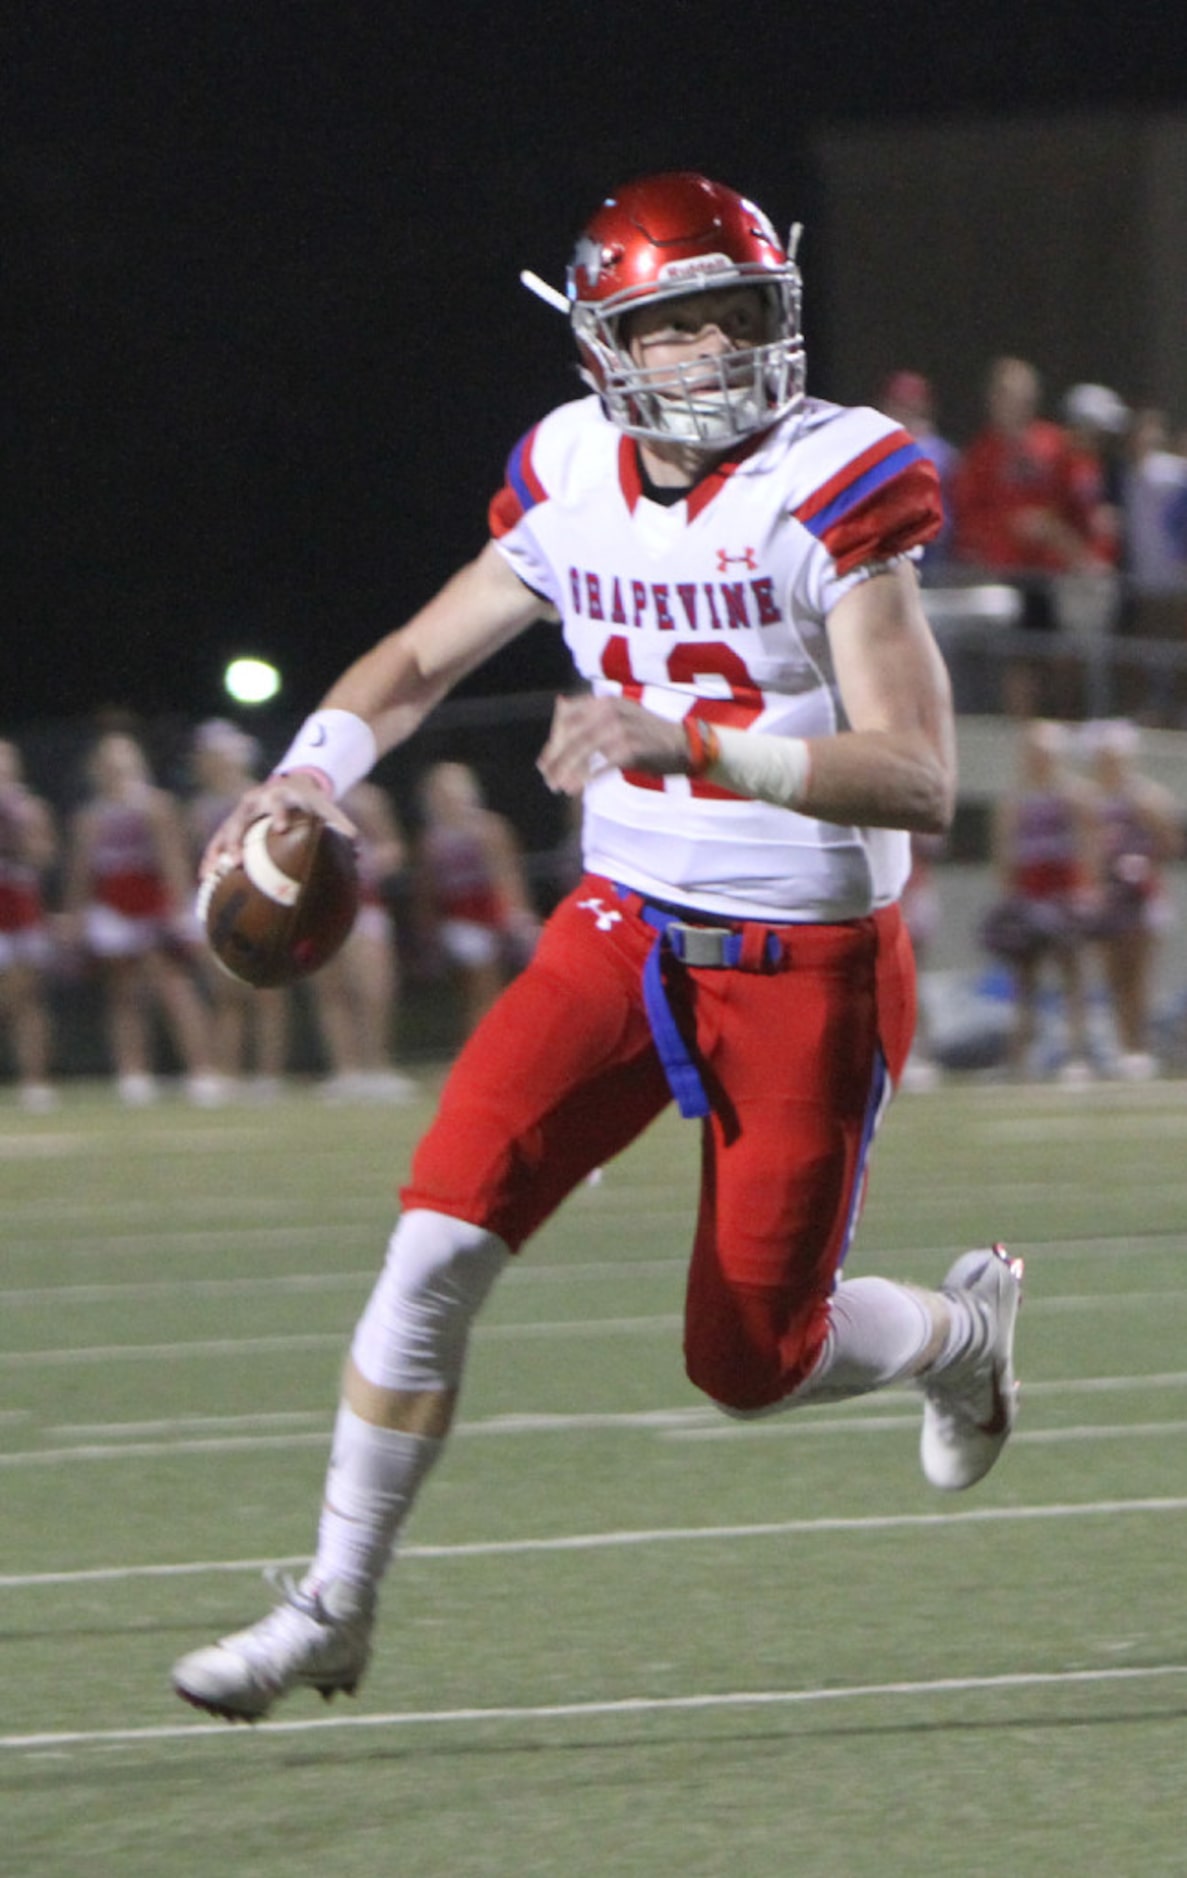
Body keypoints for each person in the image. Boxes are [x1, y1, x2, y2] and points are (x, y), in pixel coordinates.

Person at [171, 171, 1023, 1723]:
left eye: (732, 315)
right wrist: (307, 772)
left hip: (800, 956)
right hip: (619, 929)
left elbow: (918, 776)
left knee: (749, 1358)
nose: (708, 351)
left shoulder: (836, 481)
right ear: (601, 345)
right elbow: (424, 652)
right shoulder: (566, 466)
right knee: (430, 1246)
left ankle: (958, 1334)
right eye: (670, 324)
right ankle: (331, 1604)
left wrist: (691, 742)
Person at [62, 729, 223, 1106]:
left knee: (173, 987)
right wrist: (76, 912)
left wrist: (182, 908)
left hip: (153, 903)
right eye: (108, 761)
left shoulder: (155, 806)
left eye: (123, 759)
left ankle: (203, 1071)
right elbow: (82, 869)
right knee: (123, 993)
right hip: (113, 907)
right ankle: (133, 1073)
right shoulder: (90, 815)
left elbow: (173, 858)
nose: (115, 768)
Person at [950, 357, 1109, 718]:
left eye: (1023, 395)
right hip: (1008, 576)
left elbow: (1082, 506)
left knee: (1065, 661)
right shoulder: (980, 455)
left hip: (1054, 575)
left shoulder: (1056, 445)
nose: (1015, 403)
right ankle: (1026, 739)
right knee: (1017, 665)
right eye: (1007, 395)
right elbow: (969, 519)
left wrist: (1069, 540)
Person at [980, 719, 1097, 1081]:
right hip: (1030, 896)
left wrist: (1087, 889)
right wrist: (1009, 896)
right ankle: (1022, 1054)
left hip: (1064, 894)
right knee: (1025, 978)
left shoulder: (1075, 794)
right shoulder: (1016, 798)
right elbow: (1004, 849)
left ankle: (1076, 1053)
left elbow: (1091, 844)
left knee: (1072, 972)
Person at [186, 719, 290, 1099]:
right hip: (220, 903)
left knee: (267, 992)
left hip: (261, 900)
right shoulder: (199, 808)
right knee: (226, 993)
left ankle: (268, 1075)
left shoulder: (261, 798)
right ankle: (226, 1072)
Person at [1080, 718, 1181, 1079]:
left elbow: (1170, 843)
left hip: (1140, 896)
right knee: (1112, 974)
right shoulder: (1091, 800)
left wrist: (1140, 860)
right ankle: (1122, 1045)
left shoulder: (1145, 797)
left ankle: (1140, 1046)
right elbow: (1087, 850)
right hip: (1107, 898)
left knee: (1138, 973)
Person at [412, 759, 541, 1036]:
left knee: (519, 985)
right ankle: (484, 1043)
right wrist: (427, 932)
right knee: (480, 987)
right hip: (461, 917)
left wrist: (518, 915)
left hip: (496, 910)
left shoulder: (491, 828)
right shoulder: (432, 840)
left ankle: (514, 1041)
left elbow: (507, 874)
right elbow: (427, 891)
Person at [310, 779, 418, 1102]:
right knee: (332, 989)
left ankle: (376, 1067)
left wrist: (359, 864)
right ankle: (346, 1070)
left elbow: (393, 847)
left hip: (362, 903)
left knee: (372, 988)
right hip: (315, 906)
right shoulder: (302, 799)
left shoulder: (367, 798)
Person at [0, 738, 59, 1111]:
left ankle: (35, 1080)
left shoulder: (29, 808)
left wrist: (16, 832)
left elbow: (44, 856)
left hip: (19, 906)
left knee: (26, 998)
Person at [877, 371, 959, 574]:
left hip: (933, 549)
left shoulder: (942, 452)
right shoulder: (876, 451)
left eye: (911, 404)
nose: (904, 410)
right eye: (898, 404)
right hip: (888, 547)